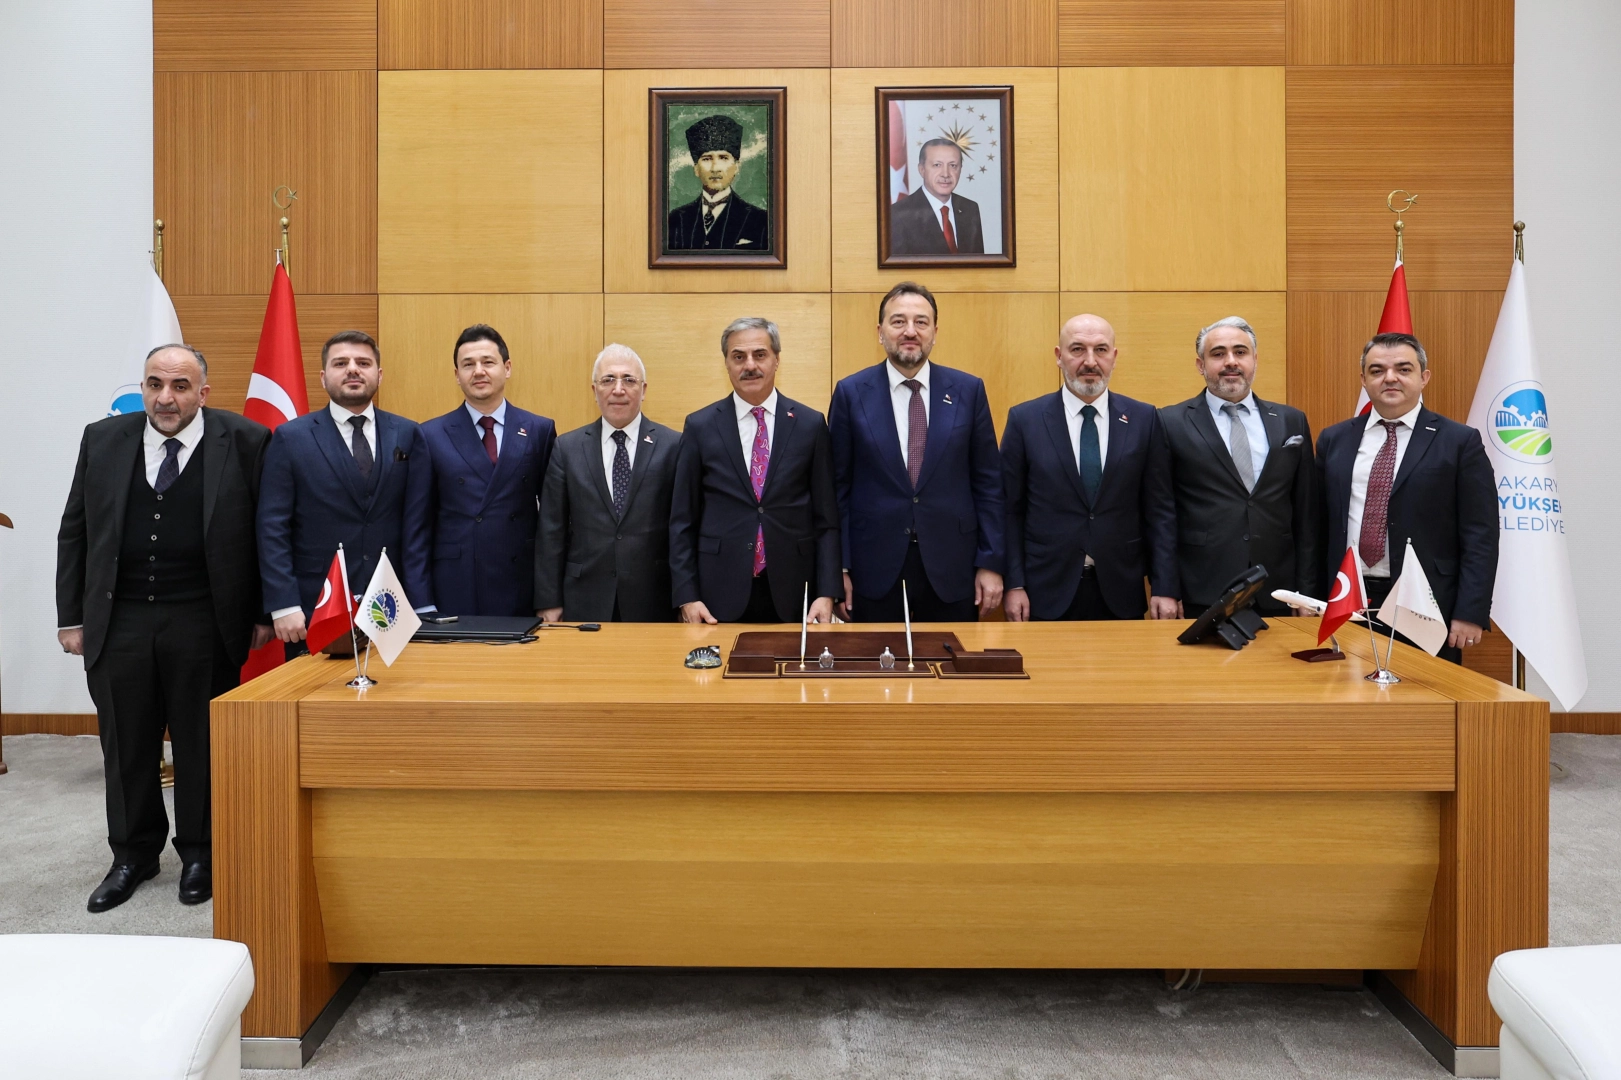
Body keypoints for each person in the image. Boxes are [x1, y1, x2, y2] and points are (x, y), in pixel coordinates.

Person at [56, 344, 272, 912]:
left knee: (201, 743)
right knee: (126, 742)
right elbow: (75, 530)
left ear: (203, 392)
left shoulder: (245, 441)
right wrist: (70, 617)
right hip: (118, 617)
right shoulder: (102, 440)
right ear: (143, 387)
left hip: (204, 618)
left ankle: (201, 851)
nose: (165, 397)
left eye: (180, 386)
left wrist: (262, 614)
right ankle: (133, 853)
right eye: (155, 384)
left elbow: (265, 533)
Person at [1316, 332, 1498, 663]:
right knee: (1347, 701)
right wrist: (1311, 598)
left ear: (1423, 377)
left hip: (1426, 601)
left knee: (1425, 705)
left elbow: (1481, 534)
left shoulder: (1459, 442)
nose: (1390, 378)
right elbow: (1316, 525)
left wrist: (1470, 611)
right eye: (1377, 370)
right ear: (1363, 379)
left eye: (1403, 369)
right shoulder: (1334, 439)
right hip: (1347, 597)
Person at [829, 282, 1004, 622]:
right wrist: (839, 567)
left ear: (935, 332)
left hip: (954, 570)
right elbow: (836, 489)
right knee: (876, 672)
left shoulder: (969, 390)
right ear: (880, 332)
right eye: (898, 322)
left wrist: (990, 562)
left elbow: (989, 486)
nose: (910, 331)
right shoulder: (851, 393)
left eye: (921, 322)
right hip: (872, 573)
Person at [258, 330, 433, 649]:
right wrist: (284, 604)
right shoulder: (290, 438)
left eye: (363, 363)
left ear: (378, 375)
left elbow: (417, 526)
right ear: (323, 377)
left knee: (391, 696)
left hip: (391, 608)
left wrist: (421, 602)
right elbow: (272, 528)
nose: (353, 369)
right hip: (314, 609)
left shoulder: (408, 433)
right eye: (341, 363)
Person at [1002, 315, 1179, 621]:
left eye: (1100, 350)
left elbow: (1159, 510)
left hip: (1121, 589)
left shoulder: (1144, 419)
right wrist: (1013, 583)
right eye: (1077, 350)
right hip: (1044, 590)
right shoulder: (1025, 420)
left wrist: (1164, 586)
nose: (1090, 361)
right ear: (1059, 356)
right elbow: (1009, 511)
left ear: (1114, 356)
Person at [669, 318, 841, 624]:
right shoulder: (700, 426)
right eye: (739, 357)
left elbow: (826, 520)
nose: (750, 365)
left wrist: (826, 592)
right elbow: (682, 520)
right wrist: (686, 595)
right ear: (726, 364)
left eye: (759, 354)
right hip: (717, 595)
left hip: (795, 592)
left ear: (776, 360)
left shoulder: (810, 425)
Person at [1159, 316, 1320, 617]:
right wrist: (1166, 587)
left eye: (1240, 352)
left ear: (1255, 360)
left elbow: (1306, 515)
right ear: (1201, 365)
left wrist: (1306, 592)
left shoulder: (1291, 420)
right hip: (1203, 588)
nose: (1230, 361)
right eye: (1218, 354)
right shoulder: (1169, 422)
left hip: (1279, 590)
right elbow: (1161, 513)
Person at [536, 345, 680, 622]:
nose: (618, 389)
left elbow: (684, 529)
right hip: (584, 597)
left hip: (655, 599)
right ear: (594, 391)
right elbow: (550, 531)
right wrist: (548, 600)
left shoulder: (673, 445)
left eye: (629, 379)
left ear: (644, 389)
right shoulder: (567, 447)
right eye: (608, 380)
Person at [421, 324, 555, 616]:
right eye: (468, 365)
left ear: (506, 368)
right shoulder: (430, 435)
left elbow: (553, 522)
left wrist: (550, 596)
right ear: (457, 375)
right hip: (456, 584)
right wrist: (421, 599)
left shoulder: (539, 430)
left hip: (521, 581)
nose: (478, 371)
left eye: (488, 362)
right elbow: (418, 524)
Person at [666, 115, 770, 252]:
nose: (715, 168)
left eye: (723, 158)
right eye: (707, 159)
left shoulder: (761, 220)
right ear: (696, 169)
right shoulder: (676, 219)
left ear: (737, 167)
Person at [889, 139, 985, 256]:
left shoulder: (970, 209)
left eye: (953, 165)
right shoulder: (898, 214)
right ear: (922, 170)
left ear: (960, 170)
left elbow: (979, 267)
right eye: (937, 165)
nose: (945, 174)